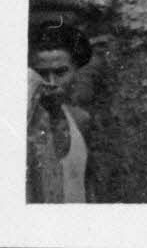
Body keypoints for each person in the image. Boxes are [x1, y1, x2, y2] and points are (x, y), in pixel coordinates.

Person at [27, 19, 94, 202]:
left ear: (75, 72)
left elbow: (85, 185)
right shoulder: (21, 124)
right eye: (41, 73)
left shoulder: (80, 120)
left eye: (60, 72)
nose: (51, 83)